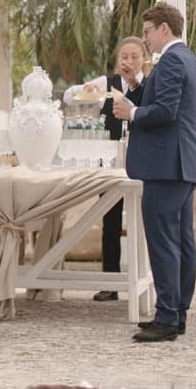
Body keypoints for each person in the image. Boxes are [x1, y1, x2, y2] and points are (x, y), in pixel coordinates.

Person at [112, 3, 196, 343]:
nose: (146, 39)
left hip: (167, 166)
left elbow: (166, 111)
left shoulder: (171, 61)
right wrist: (138, 84)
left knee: (164, 240)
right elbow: (170, 104)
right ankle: (176, 312)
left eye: (148, 31)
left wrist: (131, 112)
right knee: (181, 240)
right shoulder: (188, 60)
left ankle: (167, 316)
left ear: (164, 29)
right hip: (182, 163)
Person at [64, 36, 150, 301]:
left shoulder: (150, 85)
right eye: (124, 56)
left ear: (143, 59)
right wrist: (85, 90)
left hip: (143, 161)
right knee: (110, 221)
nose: (128, 61)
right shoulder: (106, 84)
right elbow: (70, 96)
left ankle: (144, 280)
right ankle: (110, 283)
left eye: (134, 56)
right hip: (111, 163)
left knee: (143, 222)